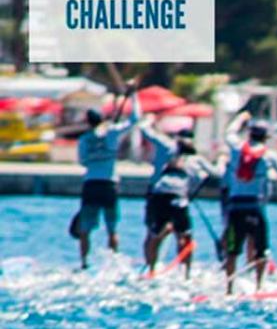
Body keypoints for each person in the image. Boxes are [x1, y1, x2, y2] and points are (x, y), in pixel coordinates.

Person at [72, 91, 140, 269]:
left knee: (85, 228)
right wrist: (133, 96)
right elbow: (135, 119)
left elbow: (83, 161)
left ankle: (84, 263)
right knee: (112, 228)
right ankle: (114, 261)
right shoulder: (112, 133)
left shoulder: (84, 139)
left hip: (91, 184)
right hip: (109, 184)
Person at [223, 112, 277, 294]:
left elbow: (229, 133)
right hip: (255, 208)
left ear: (249, 135)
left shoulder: (237, 149)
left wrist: (240, 118)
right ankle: (259, 287)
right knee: (261, 249)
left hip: (235, 208)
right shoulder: (269, 155)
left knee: (233, 250)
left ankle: (229, 289)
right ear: (265, 138)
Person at [143, 133, 219, 276]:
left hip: (159, 196)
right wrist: (221, 160)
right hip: (178, 198)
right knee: (185, 236)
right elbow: (216, 173)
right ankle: (186, 273)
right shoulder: (196, 160)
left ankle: (151, 269)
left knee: (155, 234)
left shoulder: (170, 158)